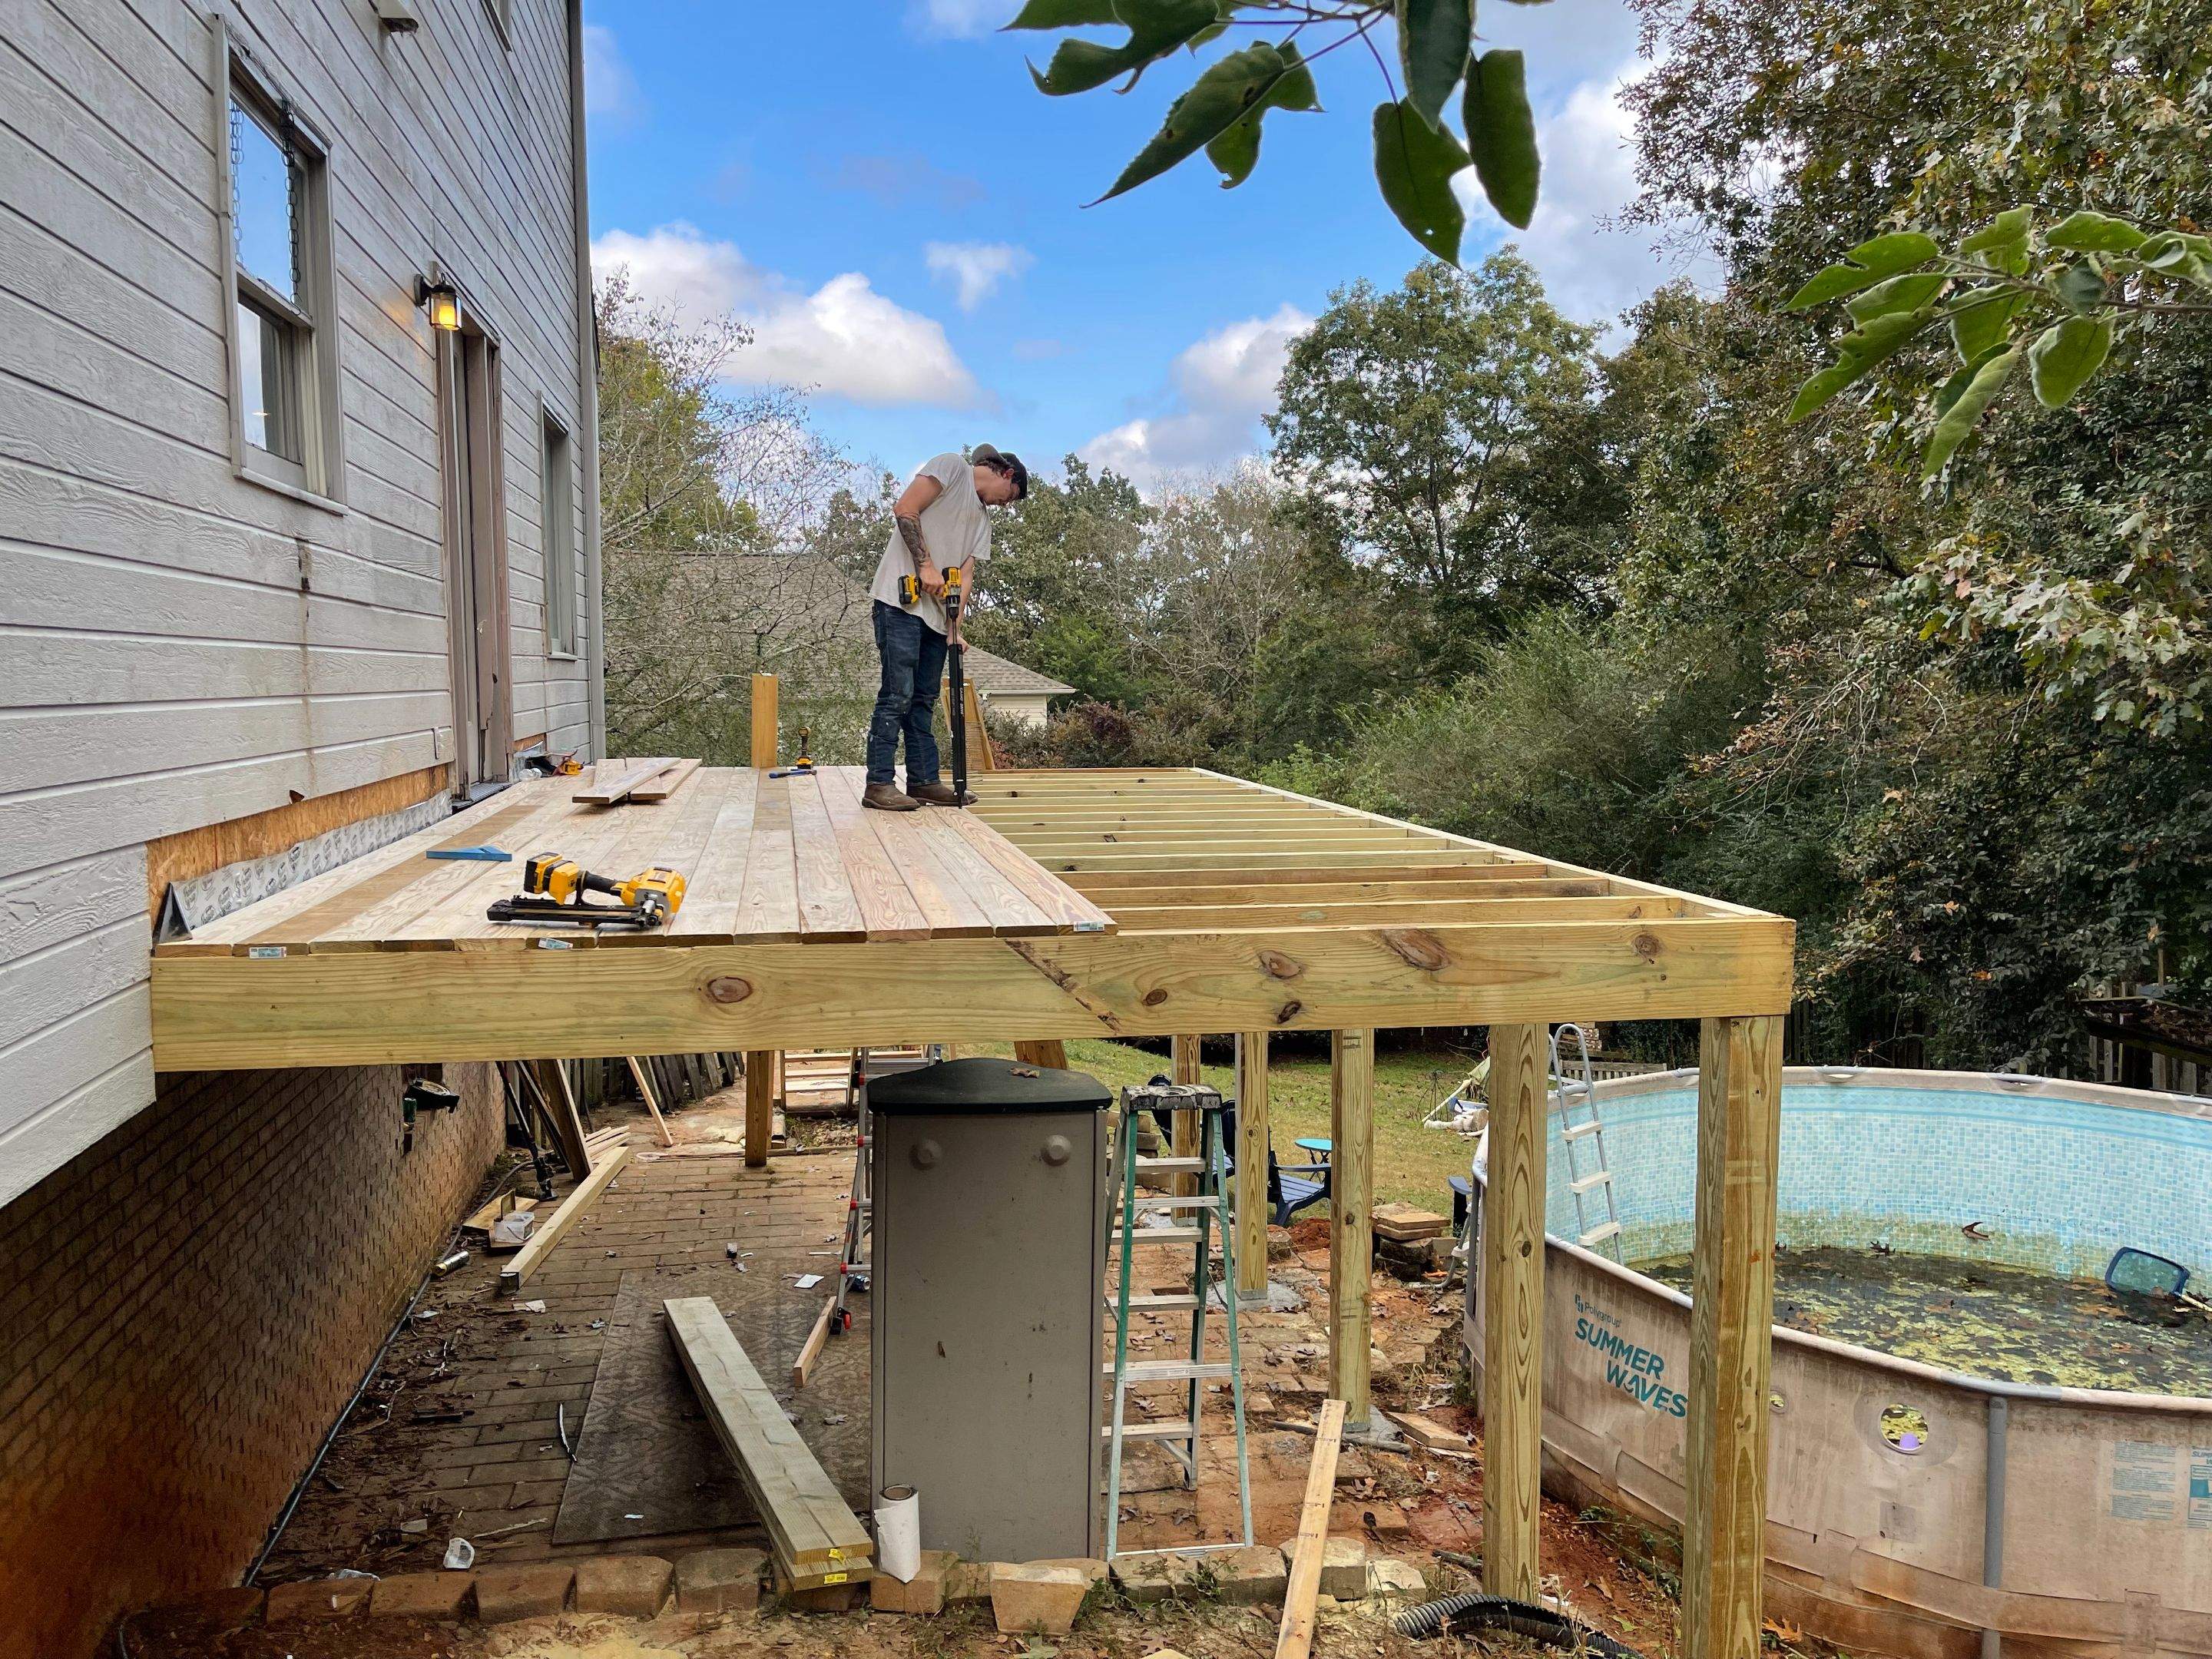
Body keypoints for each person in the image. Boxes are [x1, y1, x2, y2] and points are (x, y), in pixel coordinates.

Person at [862, 443, 1027, 810]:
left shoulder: (982, 522)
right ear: (1007, 474)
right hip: (900, 604)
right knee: (898, 694)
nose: (1006, 505)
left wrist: (954, 626)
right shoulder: (952, 468)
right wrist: (925, 567)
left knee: (924, 700)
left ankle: (923, 782)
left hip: (937, 618)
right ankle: (878, 784)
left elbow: (965, 576)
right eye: (1010, 496)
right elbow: (905, 508)